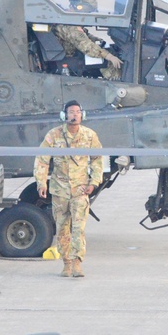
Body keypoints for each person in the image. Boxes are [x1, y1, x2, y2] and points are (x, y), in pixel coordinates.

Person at [34, 100, 103, 277]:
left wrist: (94, 183)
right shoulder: (54, 135)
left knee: (78, 228)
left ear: (82, 115)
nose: (75, 115)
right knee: (63, 228)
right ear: (64, 115)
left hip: (80, 189)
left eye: (78, 112)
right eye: (71, 112)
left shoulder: (89, 135)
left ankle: (77, 262)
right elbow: (42, 158)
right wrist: (41, 182)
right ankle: (66, 263)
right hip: (60, 190)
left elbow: (97, 160)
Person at [52, 0, 123, 80]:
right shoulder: (69, 26)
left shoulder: (69, 20)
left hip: (74, 54)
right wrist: (109, 56)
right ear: (79, 7)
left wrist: (99, 41)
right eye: (88, 10)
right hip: (68, 59)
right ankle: (117, 84)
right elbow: (86, 46)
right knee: (107, 61)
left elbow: (85, 35)